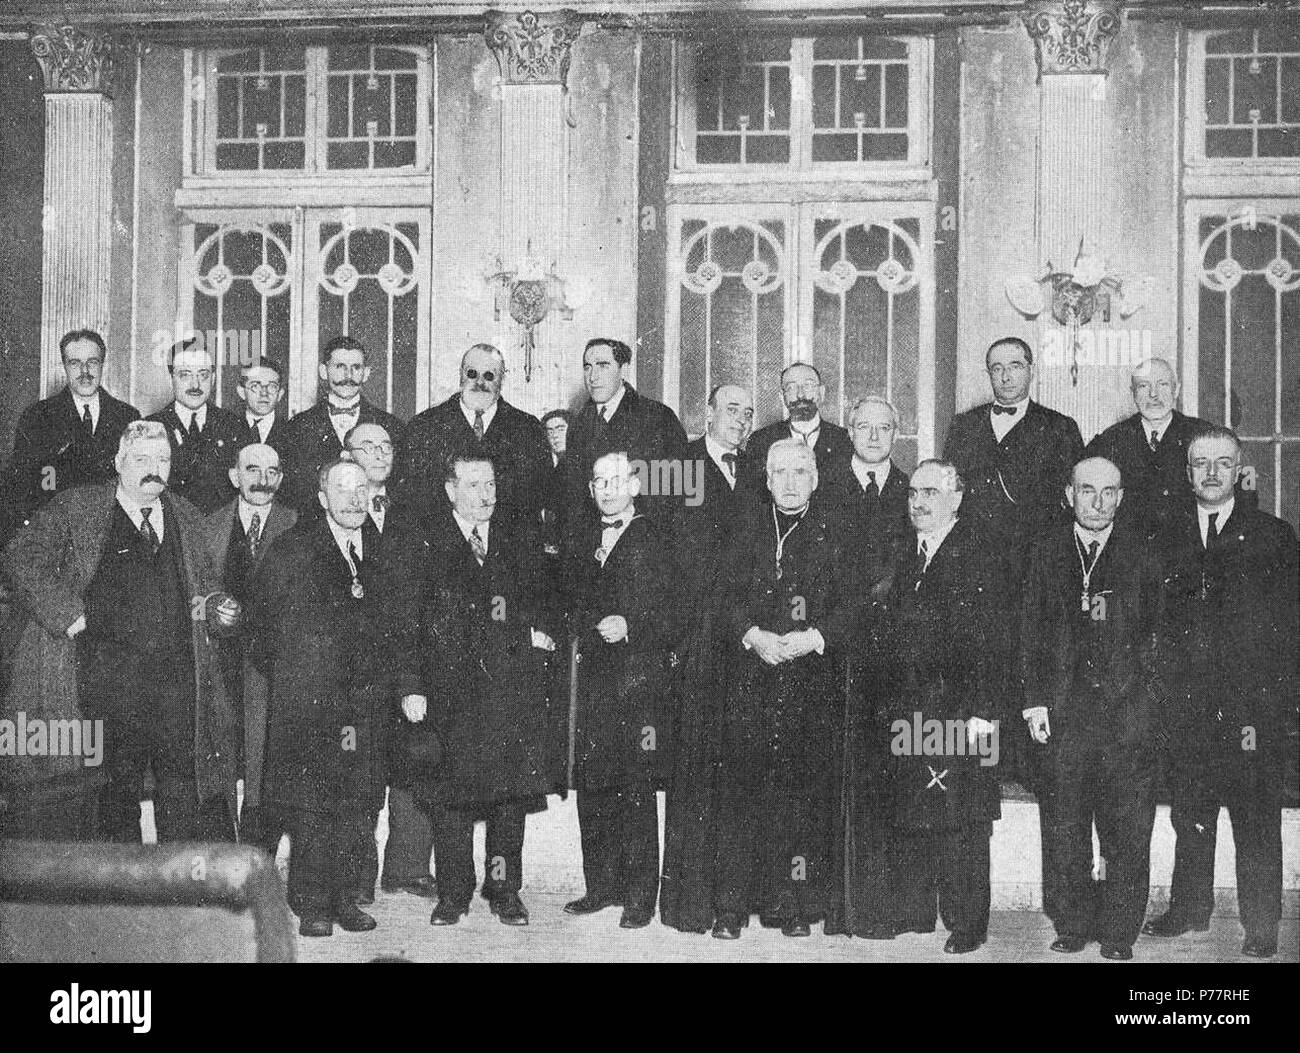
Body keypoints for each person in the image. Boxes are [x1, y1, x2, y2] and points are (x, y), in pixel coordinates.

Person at [2, 420, 241, 842]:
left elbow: (206, 587)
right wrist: (67, 613)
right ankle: (122, 896)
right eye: (142, 459)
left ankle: (177, 893)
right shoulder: (77, 509)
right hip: (107, 683)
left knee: (182, 794)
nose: (154, 469)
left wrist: (211, 604)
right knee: (114, 796)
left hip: (177, 685)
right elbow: (21, 557)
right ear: (119, 462)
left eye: (163, 459)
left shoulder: (185, 514)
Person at [1142, 426, 1299, 958]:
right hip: (1187, 709)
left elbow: (1290, 627)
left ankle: (1260, 925)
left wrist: (1277, 706)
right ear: (1187, 473)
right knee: (1191, 811)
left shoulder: (1273, 536)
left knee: (1255, 816)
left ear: (1239, 470)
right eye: (1200, 463)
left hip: (1251, 712)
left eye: (1222, 463)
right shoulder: (1164, 535)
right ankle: (1189, 909)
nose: (1211, 472)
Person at [942, 335, 1084, 925]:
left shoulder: (1059, 427)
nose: (1004, 377)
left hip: (1037, 596)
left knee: (1049, 764)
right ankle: (967, 914)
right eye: (995, 368)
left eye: (1015, 367)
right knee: (974, 753)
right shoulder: (966, 427)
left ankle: (1067, 908)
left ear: (1031, 370)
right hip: (977, 598)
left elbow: (1071, 510)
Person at [389, 452, 560, 926]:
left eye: (490, 484)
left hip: (508, 692)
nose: (486, 495)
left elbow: (542, 603)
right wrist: (410, 686)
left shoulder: (516, 539)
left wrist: (536, 634)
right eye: (474, 486)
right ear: (450, 490)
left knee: (507, 801)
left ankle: (503, 889)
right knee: (451, 803)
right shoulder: (423, 544)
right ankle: (454, 893)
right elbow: (407, 624)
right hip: (449, 696)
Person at [1020, 456, 1165, 960]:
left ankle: (1120, 933)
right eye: (1087, 491)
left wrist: (1143, 702)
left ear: (1121, 498)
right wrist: (1032, 702)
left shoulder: (1144, 554)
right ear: (1069, 495)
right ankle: (1072, 924)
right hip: (1063, 717)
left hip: (1126, 719)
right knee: (1064, 828)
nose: (1097, 502)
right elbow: (1029, 631)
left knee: (1127, 832)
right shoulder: (1044, 553)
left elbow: (1159, 638)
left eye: (1108, 492)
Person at [712, 439, 858, 940]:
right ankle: (730, 907)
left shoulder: (836, 531)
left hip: (809, 682)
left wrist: (811, 638)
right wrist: (754, 636)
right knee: (740, 796)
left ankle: (793, 904)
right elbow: (721, 596)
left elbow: (854, 605)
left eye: (800, 471)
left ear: (815, 478)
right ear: (767, 479)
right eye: (780, 473)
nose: (790, 481)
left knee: (799, 798)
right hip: (751, 677)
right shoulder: (744, 528)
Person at [247, 459, 391, 937]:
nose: (354, 499)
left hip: (365, 703)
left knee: (358, 802)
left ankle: (348, 898)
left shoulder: (381, 548)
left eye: (361, 489)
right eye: (342, 490)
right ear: (323, 498)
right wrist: (299, 682)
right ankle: (311, 903)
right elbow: (261, 627)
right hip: (309, 703)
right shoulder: (293, 548)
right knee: (311, 804)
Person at [873, 459, 1001, 953]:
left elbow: (993, 641)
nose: (918, 502)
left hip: (966, 710)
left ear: (957, 499)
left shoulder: (979, 555)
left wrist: (981, 714)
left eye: (930, 493)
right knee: (922, 804)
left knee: (965, 818)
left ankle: (969, 923)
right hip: (915, 708)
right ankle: (921, 911)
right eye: (912, 494)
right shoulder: (909, 553)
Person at [564, 451, 678, 929]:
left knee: (634, 787)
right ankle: (601, 887)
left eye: (615, 480)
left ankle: (639, 896)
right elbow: (568, 600)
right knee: (594, 785)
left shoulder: (658, 537)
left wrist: (632, 624)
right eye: (598, 482)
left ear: (634, 483)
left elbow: (678, 610)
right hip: (593, 679)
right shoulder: (582, 536)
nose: (606, 489)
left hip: (639, 682)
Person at [661, 383, 758, 934]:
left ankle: (734, 905)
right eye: (731, 409)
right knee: (694, 774)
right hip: (695, 643)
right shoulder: (678, 467)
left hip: (743, 643)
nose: (741, 419)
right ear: (708, 414)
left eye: (749, 412)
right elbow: (660, 549)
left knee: (739, 775)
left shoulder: (757, 472)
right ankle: (689, 906)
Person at [341, 420, 427, 903]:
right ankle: (356, 878)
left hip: (411, 654)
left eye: (385, 445)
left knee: (415, 761)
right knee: (359, 769)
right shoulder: (330, 511)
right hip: (356, 665)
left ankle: (407, 868)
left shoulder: (414, 509)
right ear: (346, 454)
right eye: (366, 446)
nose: (378, 453)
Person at [201, 442, 298, 851]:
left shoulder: (298, 524)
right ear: (234, 476)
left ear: (280, 478)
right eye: (252, 469)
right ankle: (221, 852)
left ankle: (259, 852)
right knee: (220, 752)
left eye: (271, 471)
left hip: (273, 662)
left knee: (265, 761)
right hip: (220, 659)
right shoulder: (208, 526)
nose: (261, 479)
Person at [2, 328, 140, 543]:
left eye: (92, 362)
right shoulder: (37, 417)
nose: (85, 371)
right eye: (75, 363)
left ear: (103, 364)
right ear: (64, 366)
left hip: (112, 538)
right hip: (57, 535)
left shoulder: (127, 417)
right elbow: (23, 486)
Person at [397, 344, 551, 527]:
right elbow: (414, 495)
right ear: (461, 375)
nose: (479, 383)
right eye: (472, 373)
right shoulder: (424, 426)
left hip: (508, 546)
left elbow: (538, 494)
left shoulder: (528, 428)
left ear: (502, 379)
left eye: (489, 376)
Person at [562, 337, 687, 546]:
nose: (593, 377)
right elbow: (574, 499)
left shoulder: (658, 418)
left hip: (644, 548)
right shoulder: (578, 425)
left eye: (603, 365)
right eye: (587, 367)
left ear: (624, 370)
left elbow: (676, 496)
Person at [1084, 358, 1211, 543]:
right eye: (1143, 386)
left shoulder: (1203, 436)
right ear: (1133, 393)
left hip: (1188, 556)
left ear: (1176, 390)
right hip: (1130, 558)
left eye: (1163, 385)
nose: (1154, 394)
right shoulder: (1110, 440)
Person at [277, 335, 404, 513]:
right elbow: (290, 495)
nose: (348, 376)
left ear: (366, 373)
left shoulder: (390, 426)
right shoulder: (297, 427)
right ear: (323, 371)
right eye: (340, 367)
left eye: (356, 368)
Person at [742, 363, 854, 497]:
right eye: (791, 387)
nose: (800, 394)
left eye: (808, 385)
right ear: (782, 397)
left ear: (821, 392)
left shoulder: (845, 439)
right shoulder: (761, 440)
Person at [236, 358, 288, 451]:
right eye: (255, 386)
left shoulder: (292, 432)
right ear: (242, 392)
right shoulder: (228, 429)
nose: (264, 393)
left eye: (272, 386)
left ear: (280, 394)